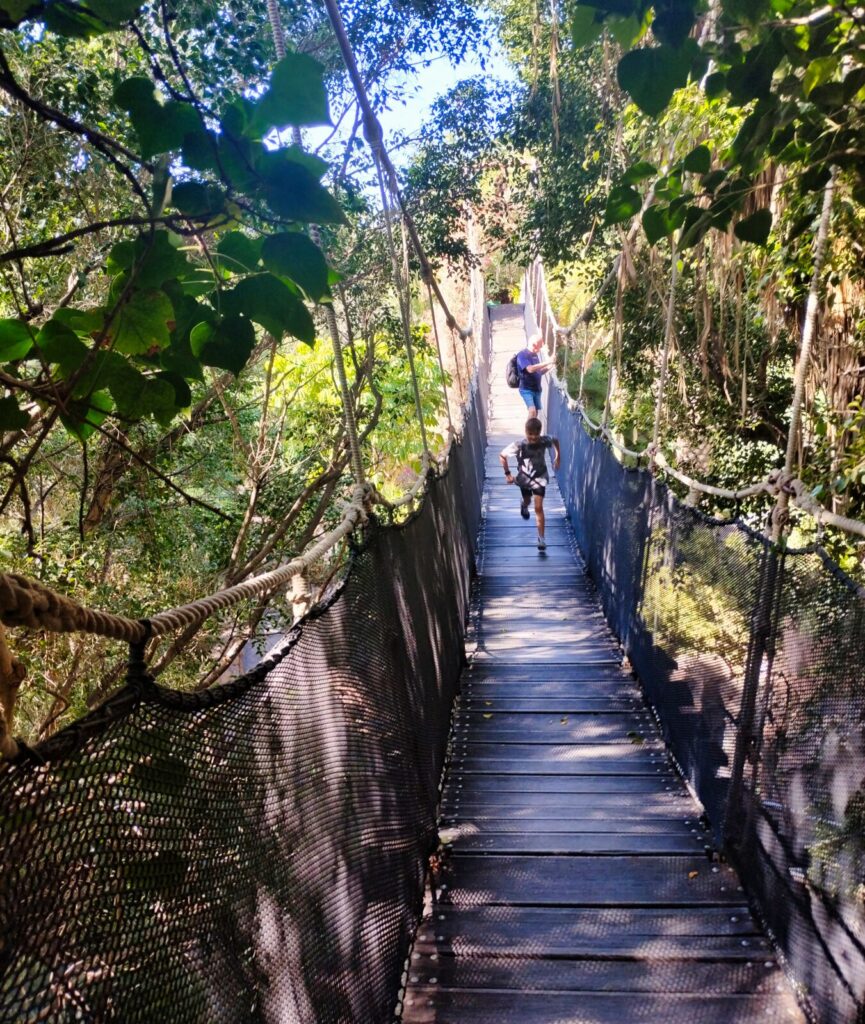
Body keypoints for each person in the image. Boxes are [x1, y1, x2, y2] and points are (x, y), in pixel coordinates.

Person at [499, 417, 561, 550]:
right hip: (525, 480)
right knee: (527, 501)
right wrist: (508, 474)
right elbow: (502, 455)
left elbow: (555, 440)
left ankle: (541, 539)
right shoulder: (519, 445)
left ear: (540, 433)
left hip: (540, 478)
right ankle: (523, 504)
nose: (533, 437)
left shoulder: (544, 440)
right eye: (530, 434)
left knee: (538, 508)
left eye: (536, 434)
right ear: (525, 432)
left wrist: (558, 456)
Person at [516, 332, 552, 418]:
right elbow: (530, 369)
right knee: (532, 411)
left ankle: (532, 431)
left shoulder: (535, 355)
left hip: (537, 389)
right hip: (526, 389)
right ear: (534, 345)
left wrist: (549, 367)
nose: (541, 348)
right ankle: (528, 431)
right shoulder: (522, 355)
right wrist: (547, 362)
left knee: (535, 413)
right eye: (540, 345)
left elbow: (538, 371)